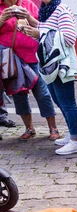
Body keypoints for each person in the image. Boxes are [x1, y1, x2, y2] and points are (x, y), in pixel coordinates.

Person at [22, 0, 77, 155]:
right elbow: (49, 29)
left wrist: (39, 33)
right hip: (50, 64)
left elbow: (69, 38)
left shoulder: (61, 9)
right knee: (59, 100)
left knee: (68, 102)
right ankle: (72, 134)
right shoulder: (45, 10)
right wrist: (32, 22)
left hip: (61, 64)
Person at [0, 0, 60, 142]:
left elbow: (42, 26)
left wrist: (28, 17)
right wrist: (2, 19)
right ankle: (29, 128)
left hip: (32, 55)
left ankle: (53, 127)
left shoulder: (28, 4)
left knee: (42, 92)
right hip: (11, 58)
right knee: (19, 93)